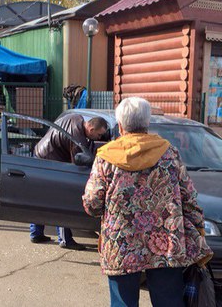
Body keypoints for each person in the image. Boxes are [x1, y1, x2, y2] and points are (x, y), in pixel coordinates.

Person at [83, 97, 212, 306]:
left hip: (121, 243)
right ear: (147, 123)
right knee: (168, 301)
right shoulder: (169, 152)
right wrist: (198, 231)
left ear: (121, 125)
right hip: (166, 242)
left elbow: (92, 204)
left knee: (122, 302)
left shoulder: (106, 156)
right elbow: (189, 198)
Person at [30, 113, 108, 250]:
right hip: (50, 162)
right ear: (91, 130)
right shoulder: (77, 138)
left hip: (40, 154)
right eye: (99, 135)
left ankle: (35, 233)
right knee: (61, 200)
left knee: (40, 198)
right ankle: (65, 239)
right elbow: (79, 160)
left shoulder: (76, 117)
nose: (99, 138)